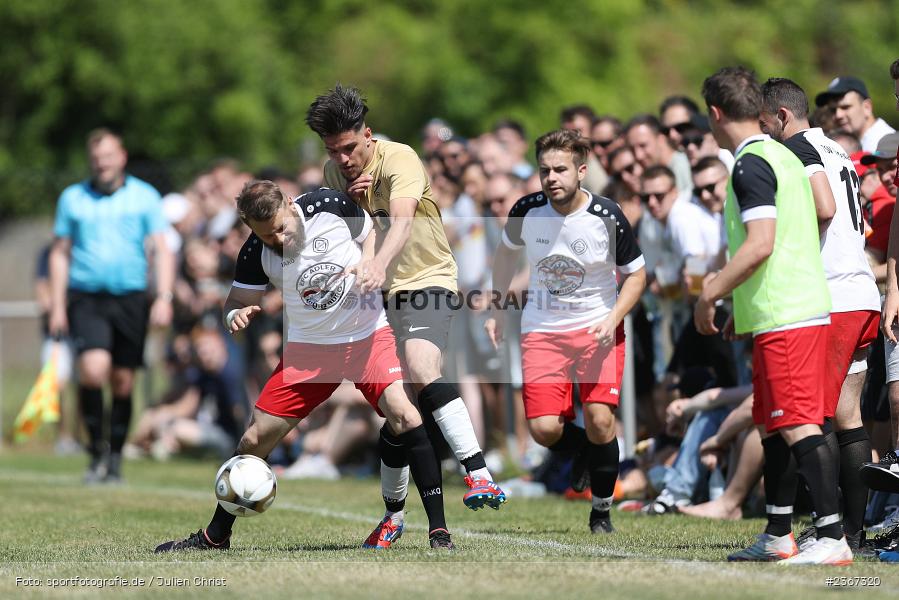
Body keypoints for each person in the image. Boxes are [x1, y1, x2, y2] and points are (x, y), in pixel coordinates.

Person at [155, 181, 455, 552]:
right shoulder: (254, 252)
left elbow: (372, 231)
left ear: (290, 203)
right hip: (310, 353)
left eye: (282, 228)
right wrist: (235, 313)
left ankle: (439, 531)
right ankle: (215, 536)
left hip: (367, 336)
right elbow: (236, 297)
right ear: (249, 226)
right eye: (267, 234)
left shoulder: (328, 205)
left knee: (406, 417)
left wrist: (369, 260)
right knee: (252, 439)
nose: (278, 238)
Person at [304, 85, 506, 531]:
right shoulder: (332, 173)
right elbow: (345, 238)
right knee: (400, 414)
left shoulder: (400, 158)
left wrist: (377, 262)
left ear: (369, 136)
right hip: (375, 298)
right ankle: (394, 516)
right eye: (333, 151)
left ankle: (479, 474)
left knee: (421, 364)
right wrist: (355, 211)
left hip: (426, 279)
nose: (342, 159)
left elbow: (401, 219)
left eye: (350, 148)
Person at [695, 67, 849, 564]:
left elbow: (760, 244)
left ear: (716, 114)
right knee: (773, 424)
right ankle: (779, 533)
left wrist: (710, 293)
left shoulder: (750, 164)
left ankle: (831, 537)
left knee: (800, 425)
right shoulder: (781, 154)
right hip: (781, 312)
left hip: (790, 314)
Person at [485, 129, 647, 534]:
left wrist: (613, 317)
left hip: (598, 329)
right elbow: (505, 256)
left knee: (600, 421)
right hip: (543, 331)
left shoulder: (607, 215)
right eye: (544, 170)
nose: (551, 177)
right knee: (543, 430)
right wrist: (499, 307)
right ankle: (582, 454)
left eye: (560, 169)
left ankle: (602, 511)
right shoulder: (526, 210)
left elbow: (637, 275)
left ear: (581, 171)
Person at [760, 77, 881, 551]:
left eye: (767, 124)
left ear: (782, 117)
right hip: (861, 294)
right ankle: (850, 529)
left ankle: (830, 533)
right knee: (847, 416)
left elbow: (824, 208)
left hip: (832, 298)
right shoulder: (835, 148)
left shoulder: (797, 150)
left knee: (811, 417)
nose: (766, 133)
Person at [48, 128, 175, 484]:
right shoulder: (73, 198)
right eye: (96, 158)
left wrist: (163, 297)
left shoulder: (144, 197)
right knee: (92, 370)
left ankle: (115, 457)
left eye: (108, 156)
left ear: (121, 157)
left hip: (131, 299)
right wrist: (57, 306)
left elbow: (162, 249)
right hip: (86, 298)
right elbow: (60, 253)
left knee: (122, 381)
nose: (102, 164)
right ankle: (94, 453)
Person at [814, 76, 895, 152]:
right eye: (833, 110)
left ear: (867, 107)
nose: (838, 115)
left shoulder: (888, 145)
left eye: (845, 107)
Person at [624, 114, 692, 193]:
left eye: (643, 146)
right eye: (632, 149)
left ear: (661, 139)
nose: (638, 155)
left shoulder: (682, 167)